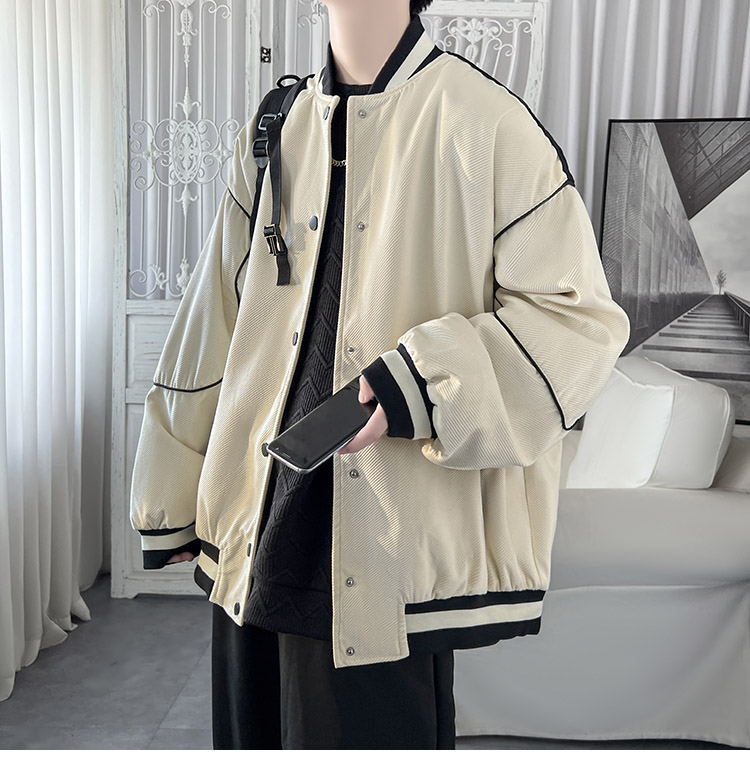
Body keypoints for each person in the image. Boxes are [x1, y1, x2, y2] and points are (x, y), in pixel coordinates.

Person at [129, 0, 631, 751]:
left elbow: (578, 324)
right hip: (255, 524)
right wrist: (168, 492)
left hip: (385, 544)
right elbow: (215, 321)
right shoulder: (274, 128)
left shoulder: (489, 124)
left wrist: (416, 387)